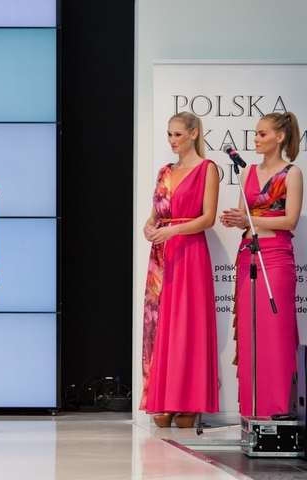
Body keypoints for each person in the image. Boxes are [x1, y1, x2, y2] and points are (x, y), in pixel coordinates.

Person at [140, 111, 220, 427]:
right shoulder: (165, 172)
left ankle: (188, 399)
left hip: (190, 252)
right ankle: (164, 397)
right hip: (162, 254)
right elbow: (154, 216)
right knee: (162, 324)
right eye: (169, 135)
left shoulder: (207, 169)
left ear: (194, 133)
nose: (172, 140)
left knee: (188, 324)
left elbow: (208, 218)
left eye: (178, 134)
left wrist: (173, 230)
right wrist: (149, 227)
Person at [220, 112, 302, 417]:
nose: (255, 139)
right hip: (248, 255)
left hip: (277, 257)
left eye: (262, 134)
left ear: (279, 137)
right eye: (255, 133)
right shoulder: (248, 173)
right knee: (250, 334)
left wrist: (250, 219)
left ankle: (279, 411)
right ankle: (251, 412)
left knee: (276, 335)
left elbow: (290, 220)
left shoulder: (292, 173)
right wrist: (235, 220)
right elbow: (245, 220)